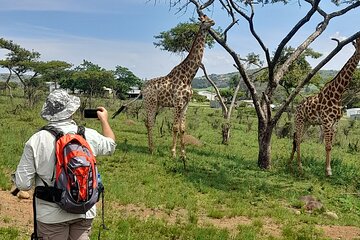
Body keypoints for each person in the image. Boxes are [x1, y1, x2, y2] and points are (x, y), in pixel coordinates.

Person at [12, 89, 116, 240]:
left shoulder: (37, 140)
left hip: (51, 216)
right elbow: (111, 145)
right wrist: (104, 120)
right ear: (71, 111)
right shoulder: (87, 134)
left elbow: (23, 184)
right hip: (84, 209)